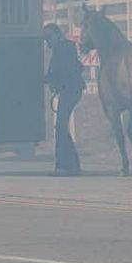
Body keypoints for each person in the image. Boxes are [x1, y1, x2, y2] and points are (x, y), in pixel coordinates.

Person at [43, 23, 84, 176]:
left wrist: (47, 79)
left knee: (60, 126)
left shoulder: (62, 48)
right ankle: (71, 164)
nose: (47, 42)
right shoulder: (65, 47)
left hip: (70, 90)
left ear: (56, 34)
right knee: (61, 126)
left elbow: (60, 70)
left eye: (48, 38)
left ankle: (64, 165)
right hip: (71, 89)